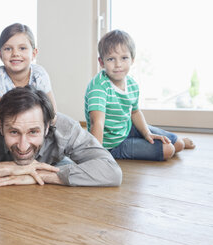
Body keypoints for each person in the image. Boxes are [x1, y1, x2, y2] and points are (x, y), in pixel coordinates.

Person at [0, 86, 122, 187]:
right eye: (13, 132)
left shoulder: (65, 127)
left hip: (56, 164)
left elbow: (111, 172)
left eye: (33, 132)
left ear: (47, 127)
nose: (22, 145)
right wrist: (8, 168)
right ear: (1, 127)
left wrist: (43, 175)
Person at [84, 30, 195, 161]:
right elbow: (97, 122)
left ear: (132, 59)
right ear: (101, 62)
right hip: (112, 144)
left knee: (178, 144)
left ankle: (173, 140)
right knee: (168, 150)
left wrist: (147, 133)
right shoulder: (99, 87)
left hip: (127, 128)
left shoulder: (132, 84)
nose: (118, 64)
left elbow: (135, 113)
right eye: (111, 59)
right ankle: (127, 146)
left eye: (124, 58)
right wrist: (96, 157)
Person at [0, 23, 57, 123]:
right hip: (7, 124)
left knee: (63, 122)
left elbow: (52, 114)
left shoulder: (39, 74)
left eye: (22, 48)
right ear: (0, 55)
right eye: (8, 49)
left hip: (35, 122)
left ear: (33, 54)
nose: (15, 53)